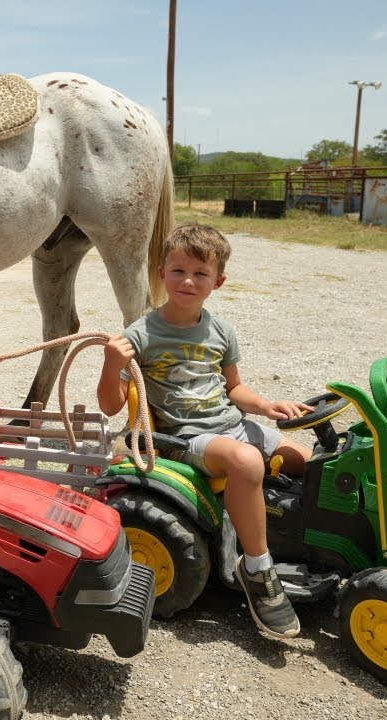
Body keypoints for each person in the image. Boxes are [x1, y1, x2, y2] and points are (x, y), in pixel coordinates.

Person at [96, 223, 311, 640]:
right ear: (161, 273)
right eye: (177, 271)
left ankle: (287, 536)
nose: (187, 281)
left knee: (308, 461)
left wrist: (267, 406)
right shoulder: (140, 334)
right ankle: (257, 570)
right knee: (246, 461)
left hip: (231, 424)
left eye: (200, 273)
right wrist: (110, 364)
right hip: (184, 438)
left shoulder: (220, 330)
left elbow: (234, 388)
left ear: (218, 282)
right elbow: (110, 405)